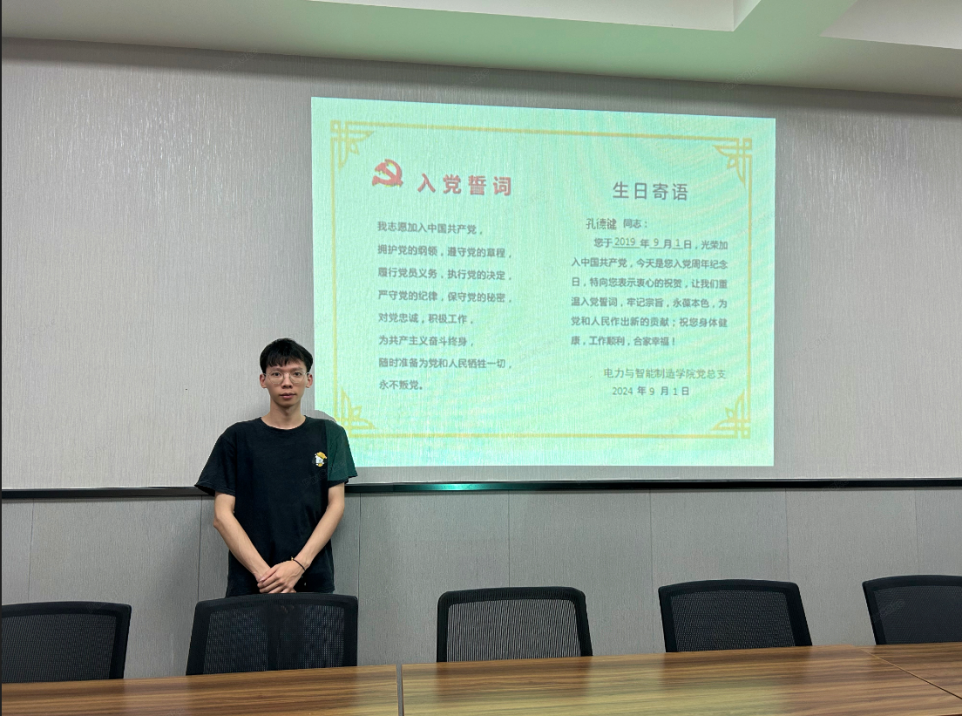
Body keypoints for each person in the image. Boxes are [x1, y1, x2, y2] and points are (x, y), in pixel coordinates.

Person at [196, 338, 356, 596]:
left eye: (296, 373)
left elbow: (336, 506)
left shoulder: (331, 434)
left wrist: (297, 566)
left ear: (309, 379)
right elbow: (222, 516)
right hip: (252, 582)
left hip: (311, 577)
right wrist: (267, 577)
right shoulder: (236, 438)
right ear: (263, 380)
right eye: (277, 374)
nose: (287, 382)